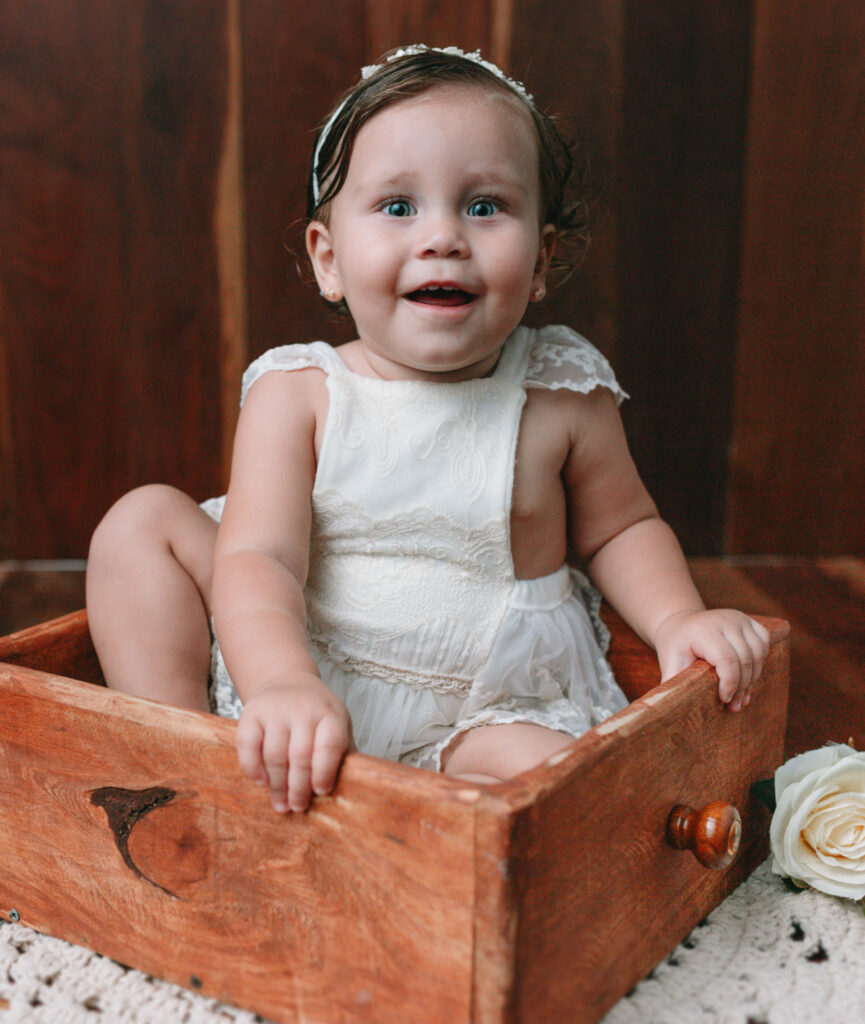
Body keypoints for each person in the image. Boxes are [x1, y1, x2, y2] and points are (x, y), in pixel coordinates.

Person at [86, 45, 770, 815]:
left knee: (568, 789)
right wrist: (279, 680)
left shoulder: (560, 393)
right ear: (328, 260)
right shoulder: (300, 393)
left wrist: (678, 620)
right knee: (142, 522)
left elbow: (621, 529)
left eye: (484, 206)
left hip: (484, 705)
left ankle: (418, 817)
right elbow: (260, 558)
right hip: (303, 666)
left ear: (540, 259)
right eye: (397, 206)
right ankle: (185, 758)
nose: (442, 236)